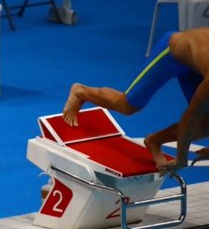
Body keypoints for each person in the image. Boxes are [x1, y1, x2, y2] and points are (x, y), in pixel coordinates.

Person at [62, 28, 209, 173]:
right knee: (127, 105)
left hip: (196, 62)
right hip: (171, 52)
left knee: (206, 124)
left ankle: (154, 141)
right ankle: (81, 92)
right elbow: (189, 119)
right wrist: (181, 159)